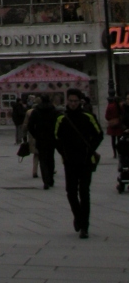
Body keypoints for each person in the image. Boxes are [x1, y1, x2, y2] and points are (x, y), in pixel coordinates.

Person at [54, 89, 102, 238]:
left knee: (84, 192)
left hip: (86, 161)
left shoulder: (88, 117)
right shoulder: (61, 118)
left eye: (76, 101)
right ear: (67, 101)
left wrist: (90, 150)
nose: (73, 104)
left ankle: (84, 226)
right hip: (69, 162)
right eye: (71, 101)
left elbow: (99, 134)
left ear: (80, 102)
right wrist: (64, 153)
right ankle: (78, 216)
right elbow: (56, 138)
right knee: (71, 191)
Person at [26, 93, 60, 189]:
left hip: (41, 138)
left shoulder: (36, 111)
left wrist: (36, 135)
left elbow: (30, 126)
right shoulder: (54, 110)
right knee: (50, 158)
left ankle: (46, 181)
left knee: (43, 160)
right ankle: (51, 179)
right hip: (51, 137)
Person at [105, 91, 123, 158]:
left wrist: (111, 119)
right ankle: (119, 152)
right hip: (119, 124)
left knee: (113, 140)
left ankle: (114, 153)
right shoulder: (121, 106)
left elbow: (106, 116)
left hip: (112, 125)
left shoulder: (110, 106)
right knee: (119, 139)